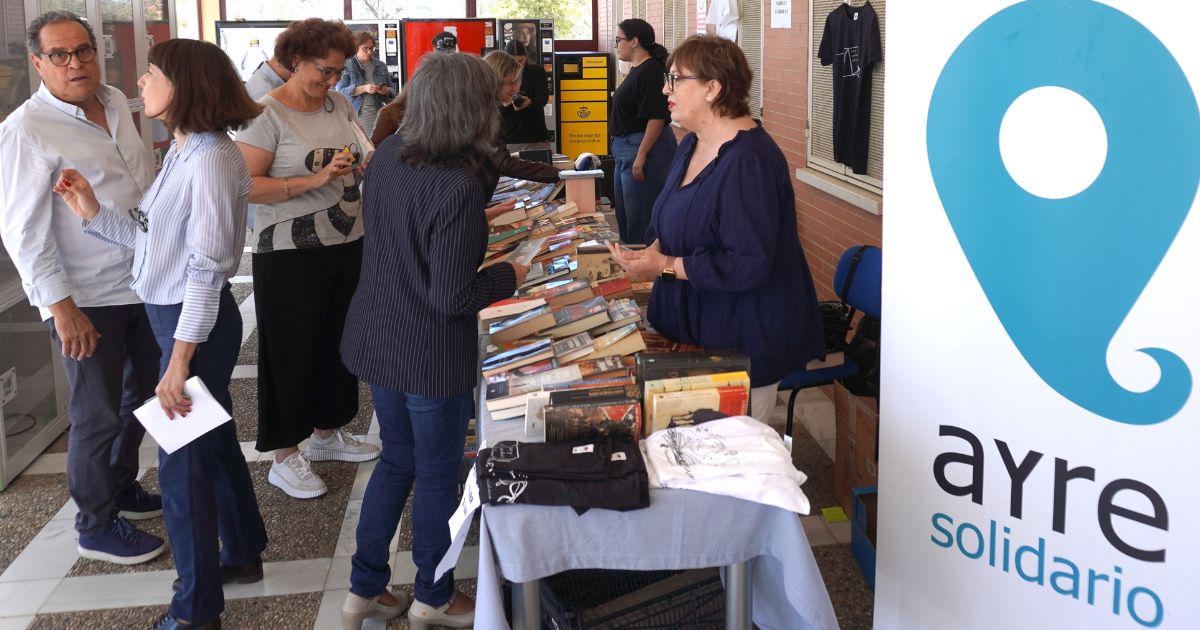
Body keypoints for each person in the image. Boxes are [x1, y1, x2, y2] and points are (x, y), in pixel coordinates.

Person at [54, 38, 269, 630]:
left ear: (185, 86)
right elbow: (154, 241)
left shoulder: (210, 160)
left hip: (190, 326)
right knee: (212, 445)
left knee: (181, 469)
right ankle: (244, 550)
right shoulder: (183, 149)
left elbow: (206, 267)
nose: (139, 85)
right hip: (176, 320)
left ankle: (196, 610)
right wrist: (91, 210)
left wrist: (178, 363)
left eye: (150, 75)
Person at [339, 52, 528, 630]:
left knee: (396, 461)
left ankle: (363, 589)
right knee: (439, 472)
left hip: (379, 331)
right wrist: (511, 272)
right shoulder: (459, 183)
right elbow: (452, 296)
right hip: (429, 349)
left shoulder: (390, 154)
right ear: (473, 108)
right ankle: (434, 595)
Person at [0, 10, 166, 566]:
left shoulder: (116, 100)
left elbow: (135, 182)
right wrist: (60, 306)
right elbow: (23, 231)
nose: (76, 63)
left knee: (139, 396)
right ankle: (95, 523)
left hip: (139, 280)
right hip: (85, 295)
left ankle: (121, 488)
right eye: (62, 55)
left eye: (84, 51)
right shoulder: (26, 129)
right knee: (96, 413)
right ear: (39, 63)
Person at [606, 35, 825, 424]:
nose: (664, 88)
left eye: (675, 79)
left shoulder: (749, 162)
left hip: (741, 339)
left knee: (729, 463)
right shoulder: (691, 143)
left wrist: (666, 265)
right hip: (695, 328)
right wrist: (649, 253)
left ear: (712, 88)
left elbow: (747, 264)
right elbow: (672, 222)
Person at [235, 18, 379, 500]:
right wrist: (314, 181)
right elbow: (246, 185)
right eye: (325, 70)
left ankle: (327, 432)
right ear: (295, 59)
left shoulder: (337, 102)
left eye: (338, 72)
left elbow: (361, 147)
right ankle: (284, 454)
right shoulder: (263, 114)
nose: (333, 80)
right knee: (290, 349)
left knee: (339, 340)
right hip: (289, 251)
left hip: (347, 239)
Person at [610, 18, 677, 245]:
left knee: (640, 217)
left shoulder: (651, 70)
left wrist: (642, 154)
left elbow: (657, 117)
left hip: (641, 147)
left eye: (619, 39)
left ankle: (644, 272)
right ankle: (631, 267)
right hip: (624, 148)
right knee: (625, 215)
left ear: (635, 41)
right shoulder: (636, 70)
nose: (616, 44)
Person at [335, 32, 394, 138]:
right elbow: (340, 92)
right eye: (365, 48)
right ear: (355, 48)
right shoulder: (347, 65)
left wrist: (386, 91)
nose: (369, 52)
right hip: (356, 115)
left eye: (371, 48)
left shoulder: (380, 66)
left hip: (378, 114)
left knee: (376, 146)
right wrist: (364, 88)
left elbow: (393, 92)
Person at [499, 40, 550, 153]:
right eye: (513, 61)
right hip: (509, 133)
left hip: (534, 134)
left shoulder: (537, 72)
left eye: (521, 60)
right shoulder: (499, 74)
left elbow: (543, 98)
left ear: (526, 57)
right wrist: (506, 102)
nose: (518, 64)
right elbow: (491, 103)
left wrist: (529, 102)